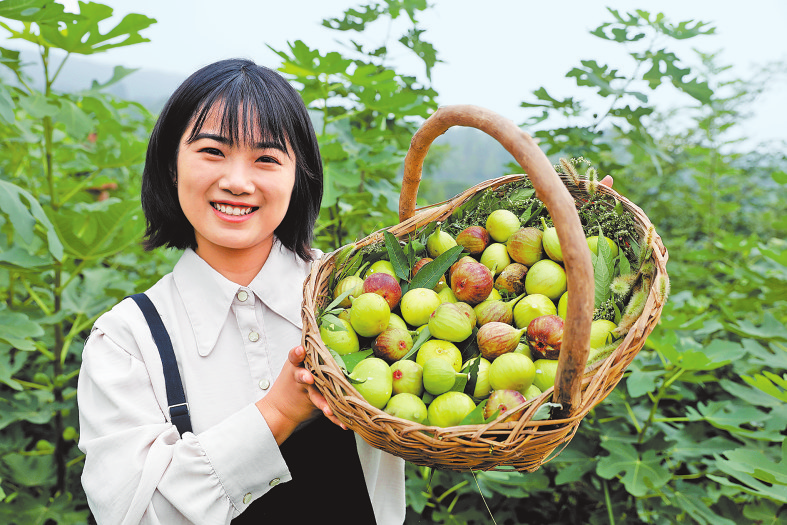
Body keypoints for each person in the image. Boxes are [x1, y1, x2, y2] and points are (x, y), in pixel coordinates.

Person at [77, 58, 405, 525]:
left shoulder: (357, 295)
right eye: (212, 151)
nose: (237, 181)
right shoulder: (127, 340)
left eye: (267, 159)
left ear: (299, 177)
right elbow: (133, 513)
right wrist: (279, 412)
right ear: (171, 165)